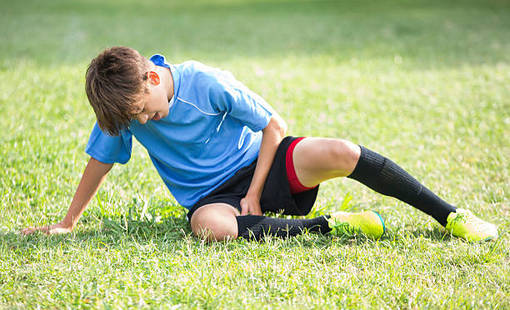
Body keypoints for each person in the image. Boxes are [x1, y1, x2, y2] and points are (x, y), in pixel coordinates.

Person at [21, 46, 498, 242]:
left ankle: (450, 215)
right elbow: (100, 159)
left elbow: (273, 123)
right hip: (213, 200)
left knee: (342, 152)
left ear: (152, 75)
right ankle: (332, 225)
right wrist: (68, 221)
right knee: (210, 228)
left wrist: (255, 190)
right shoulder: (122, 107)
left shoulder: (205, 82)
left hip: (263, 164)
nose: (143, 121)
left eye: (144, 110)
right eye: (135, 119)